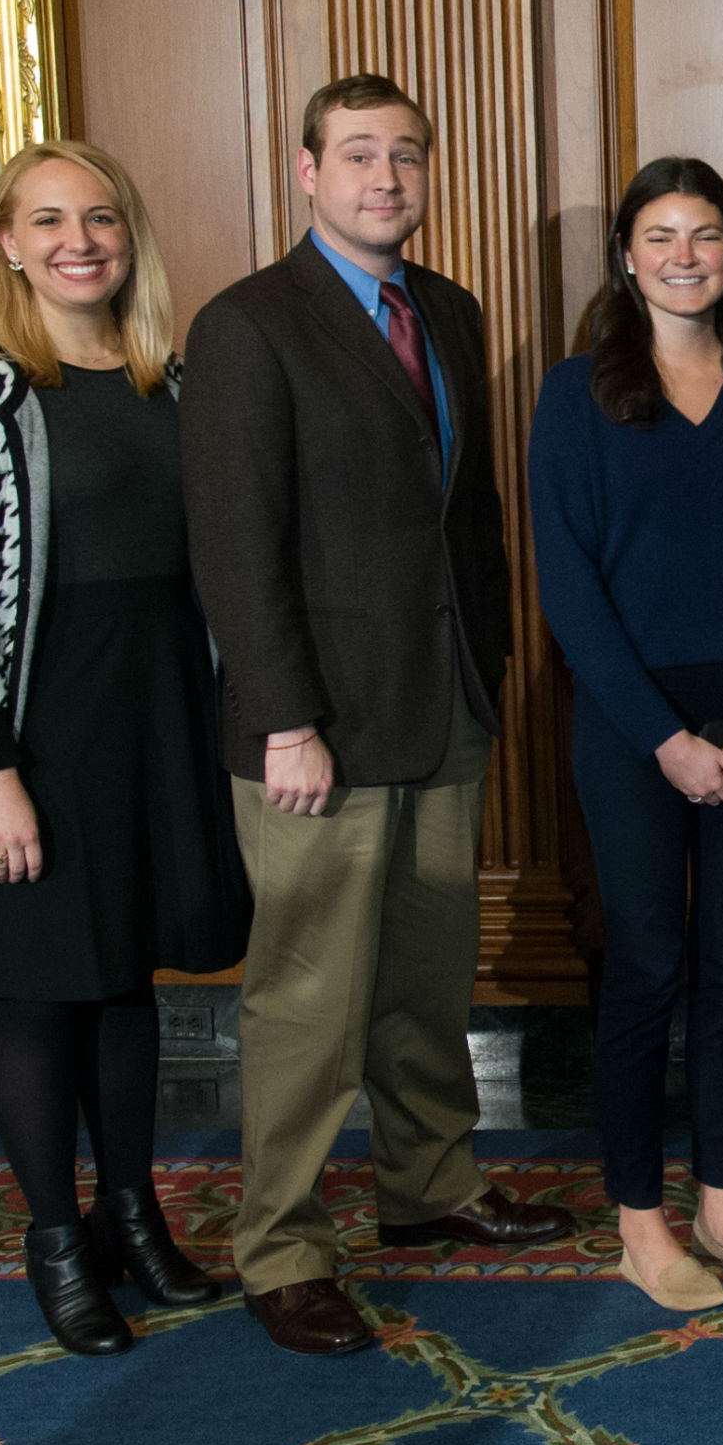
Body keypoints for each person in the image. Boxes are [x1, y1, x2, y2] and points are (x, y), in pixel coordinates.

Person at [183, 74, 571, 1357]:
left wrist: (495, 663)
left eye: (407, 153)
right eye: (358, 155)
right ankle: (283, 1248)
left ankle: (430, 1188)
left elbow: (465, 514)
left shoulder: (446, 311)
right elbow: (237, 548)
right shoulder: (249, 324)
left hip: (442, 706)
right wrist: (285, 718)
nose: (386, 177)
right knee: (308, 998)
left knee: (421, 977)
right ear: (306, 172)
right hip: (318, 733)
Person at [0, 140, 249, 1356]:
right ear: (7, 243)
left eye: (100, 217)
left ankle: (132, 1216)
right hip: (40, 736)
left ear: (130, 237)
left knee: (127, 981)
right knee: (46, 990)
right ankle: (57, 1240)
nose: (78, 241)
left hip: (156, 716)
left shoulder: (179, 378)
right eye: (48, 220)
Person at [531, 159, 723, 1312]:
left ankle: (720, 1198)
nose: (684, 256)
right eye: (660, 235)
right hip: (632, 725)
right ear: (625, 255)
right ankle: (641, 1221)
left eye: (705, 235)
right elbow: (570, 592)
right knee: (648, 965)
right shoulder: (578, 395)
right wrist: (664, 739)